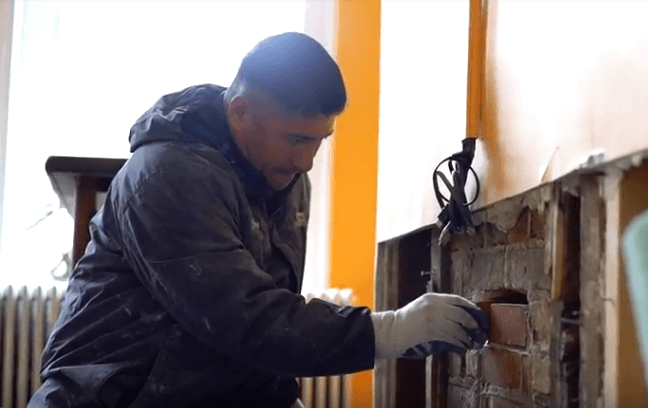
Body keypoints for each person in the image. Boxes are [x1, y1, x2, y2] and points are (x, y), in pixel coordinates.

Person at [29, 32, 488, 408]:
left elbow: (264, 317)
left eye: (318, 141)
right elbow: (244, 318)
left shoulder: (281, 177)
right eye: (295, 138)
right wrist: (391, 331)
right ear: (241, 112)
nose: (307, 161)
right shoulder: (166, 174)